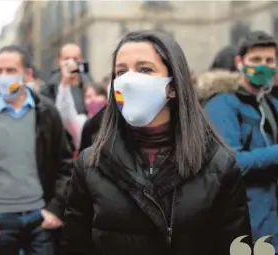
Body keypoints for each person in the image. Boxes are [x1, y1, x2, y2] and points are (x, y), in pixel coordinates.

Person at [60, 30, 252, 255]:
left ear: (172, 85)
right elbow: (74, 245)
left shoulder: (219, 164)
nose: (130, 81)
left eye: (145, 69)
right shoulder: (90, 163)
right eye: (121, 72)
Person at [0, 45, 73, 255]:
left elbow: (64, 163)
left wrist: (55, 208)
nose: (2, 77)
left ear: (26, 73)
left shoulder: (46, 112)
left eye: (10, 71)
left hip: (40, 220)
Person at [205, 30, 278, 251]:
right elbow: (229, 164)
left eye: (269, 60)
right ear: (240, 62)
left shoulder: (269, 102)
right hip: (244, 221)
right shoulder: (221, 105)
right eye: (256, 60)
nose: (263, 66)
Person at [55, 80, 107, 151]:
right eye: (88, 97)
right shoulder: (81, 122)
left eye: (97, 95)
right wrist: (64, 83)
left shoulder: (114, 120)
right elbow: (64, 110)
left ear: (106, 98)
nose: (93, 99)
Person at [43, 43, 93, 114]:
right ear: (59, 62)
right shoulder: (51, 86)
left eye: (75, 59)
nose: (71, 62)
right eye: (66, 59)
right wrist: (64, 80)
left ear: (81, 60)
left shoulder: (88, 82)